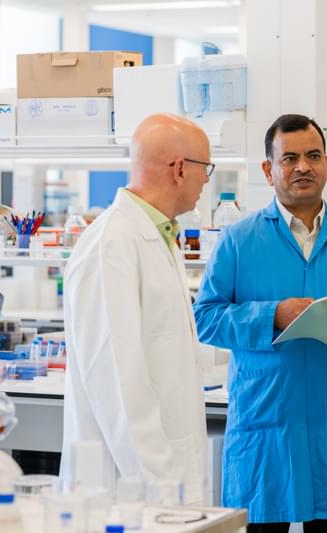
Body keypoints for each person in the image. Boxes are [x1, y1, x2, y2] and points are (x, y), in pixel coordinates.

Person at [193, 114, 327, 531]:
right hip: (266, 427)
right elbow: (206, 318)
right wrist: (273, 315)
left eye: (312, 156)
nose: (303, 167)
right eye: (289, 158)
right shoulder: (239, 239)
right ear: (269, 170)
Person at [61, 113, 215, 504]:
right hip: (131, 490)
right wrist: (163, 491)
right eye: (205, 169)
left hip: (160, 479)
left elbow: (164, 347)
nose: (205, 182)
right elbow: (117, 384)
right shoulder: (112, 244)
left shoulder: (158, 235)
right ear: (180, 169)